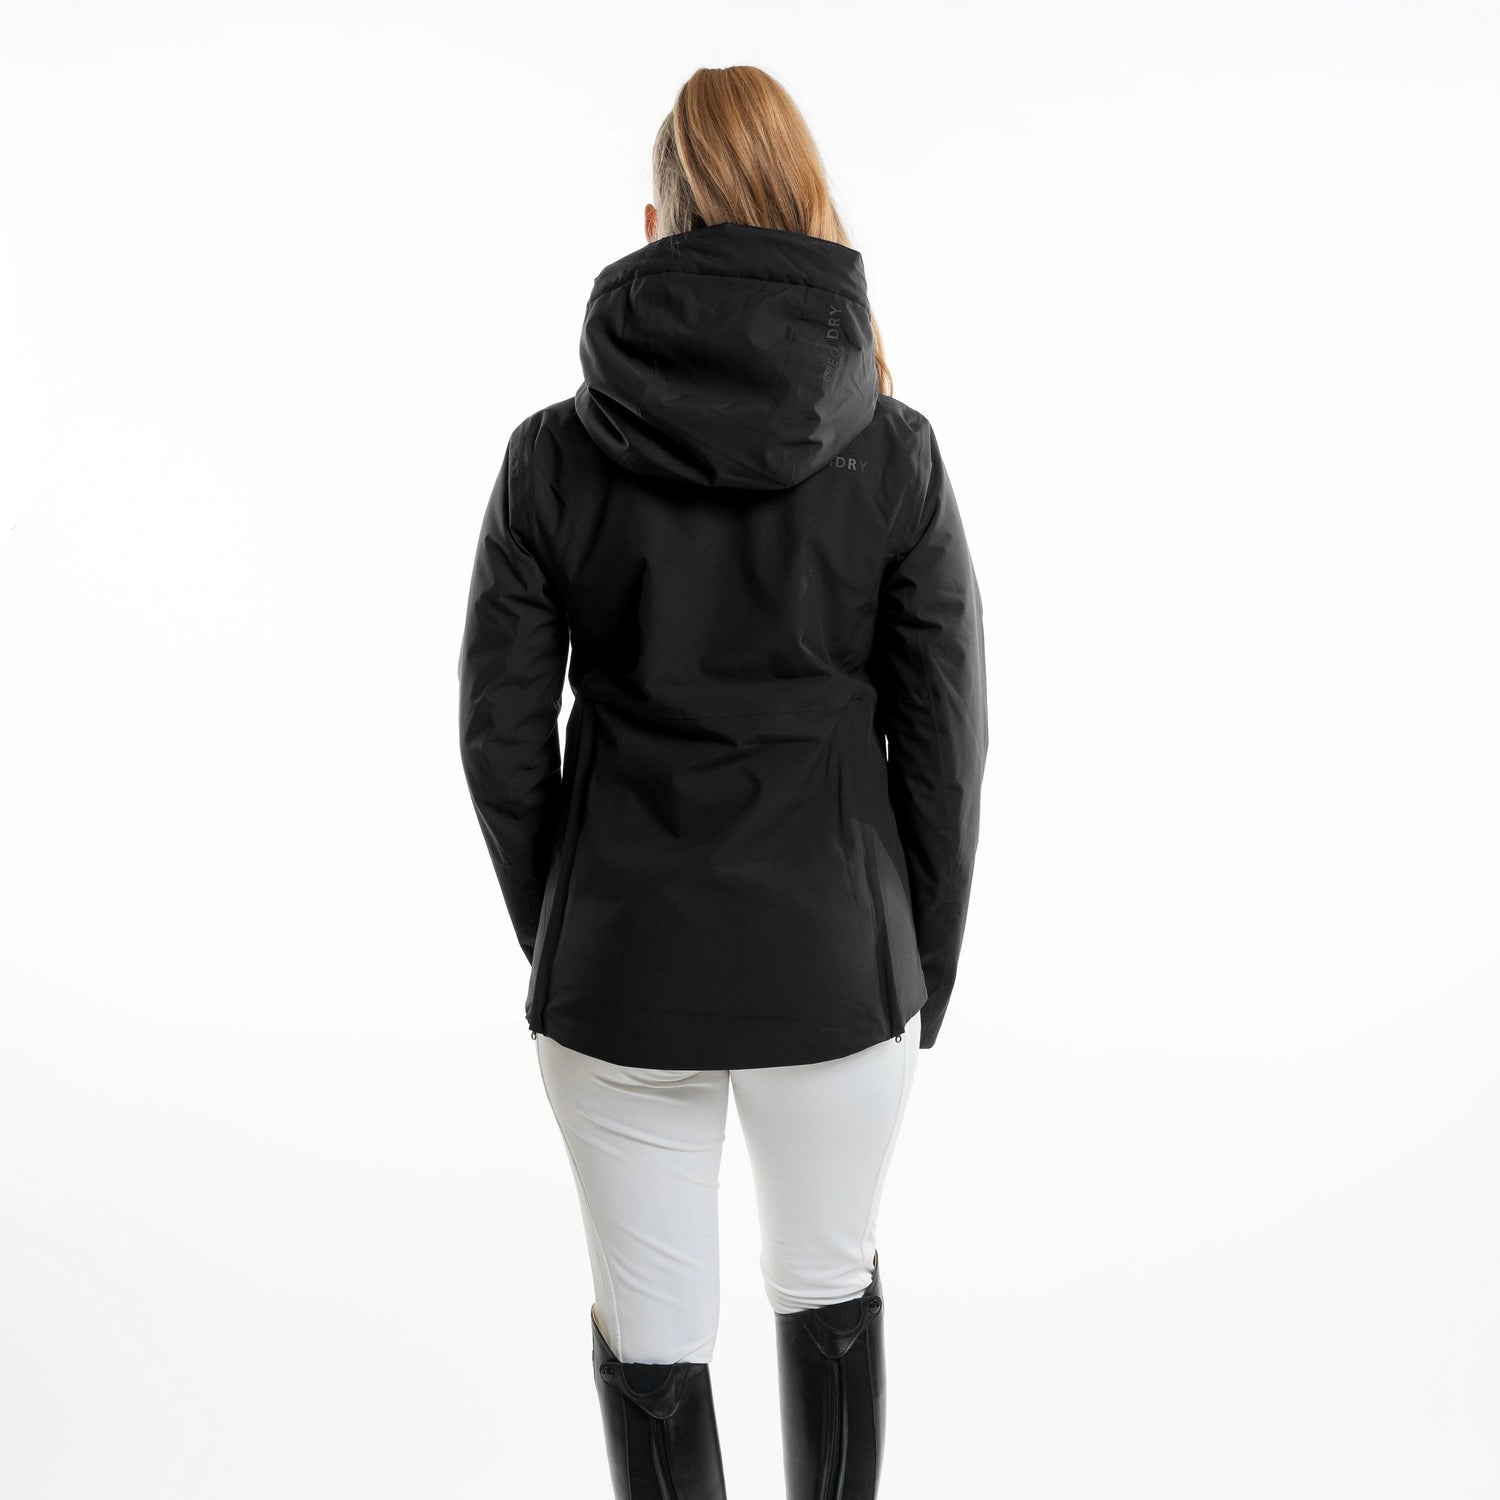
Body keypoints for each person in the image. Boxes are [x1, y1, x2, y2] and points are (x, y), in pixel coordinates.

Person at [457, 64, 988, 1500]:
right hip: (838, 965)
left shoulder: (551, 460)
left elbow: (501, 743)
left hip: (621, 967)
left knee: (655, 1339)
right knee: (828, 1288)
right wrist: (917, 965)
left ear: (654, 225)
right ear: (809, 212)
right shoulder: (894, 450)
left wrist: (575, 928)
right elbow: (945, 740)